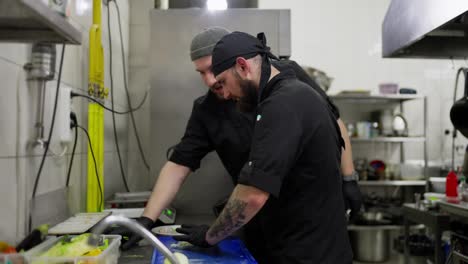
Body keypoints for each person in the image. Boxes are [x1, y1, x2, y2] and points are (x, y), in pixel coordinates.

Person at [111, 27, 360, 260]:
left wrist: (348, 179)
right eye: (201, 73)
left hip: (308, 227)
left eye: (214, 71)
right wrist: (147, 219)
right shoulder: (208, 109)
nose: (211, 82)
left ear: (240, 65)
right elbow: (179, 164)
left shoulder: (285, 91)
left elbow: (333, 122)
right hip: (258, 225)